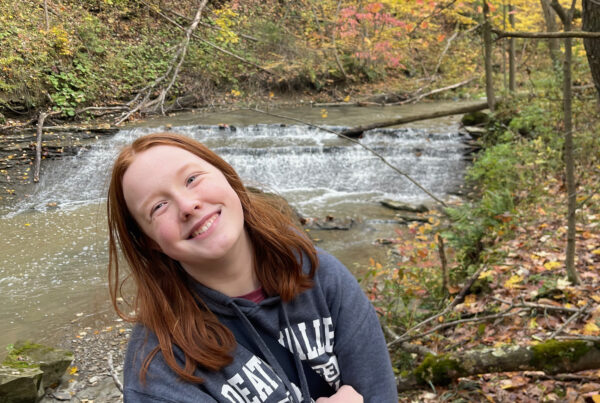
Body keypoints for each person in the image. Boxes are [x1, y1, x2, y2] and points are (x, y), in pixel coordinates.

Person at [107, 132, 397, 402]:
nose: (187, 205)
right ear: (150, 242)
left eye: (192, 179)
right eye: (158, 207)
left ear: (227, 176)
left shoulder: (321, 277)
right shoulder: (160, 365)